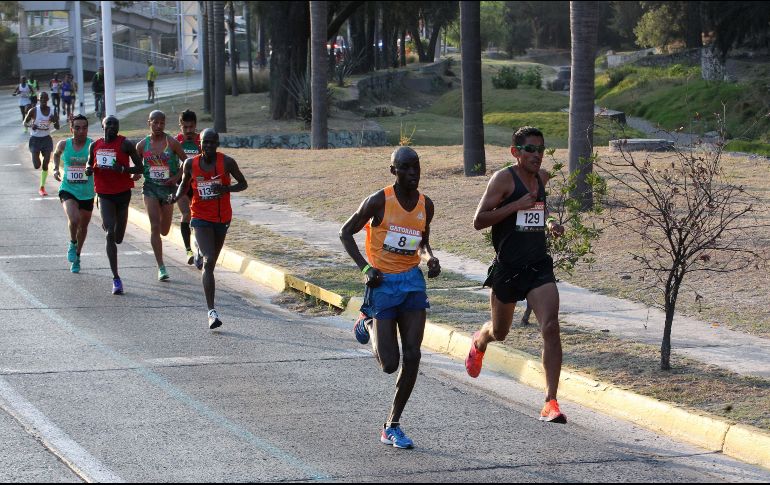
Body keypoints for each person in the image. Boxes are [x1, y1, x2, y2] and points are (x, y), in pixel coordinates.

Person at [339, 146, 441, 450]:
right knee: (389, 364)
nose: (413, 174)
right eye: (406, 168)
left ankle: (392, 425)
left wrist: (430, 258)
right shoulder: (378, 201)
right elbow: (345, 233)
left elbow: (422, 243)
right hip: (382, 283)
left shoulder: (426, 205)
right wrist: (366, 268)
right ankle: (367, 321)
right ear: (393, 171)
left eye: (417, 168)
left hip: (411, 281)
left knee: (413, 356)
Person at [464, 126, 567, 424]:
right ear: (515, 152)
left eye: (541, 149)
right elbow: (478, 220)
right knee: (501, 332)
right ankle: (481, 339)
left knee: (550, 326)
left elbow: (539, 212)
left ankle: (550, 402)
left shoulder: (543, 178)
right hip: (508, 268)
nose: (537, 155)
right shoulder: (503, 179)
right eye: (531, 149)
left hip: (538, 266)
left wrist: (550, 226)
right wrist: (513, 206)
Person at [169, 128, 247, 329]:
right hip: (200, 217)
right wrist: (176, 197)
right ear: (200, 143)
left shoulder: (227, 162)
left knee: (210, 260)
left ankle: (197, 249)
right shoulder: (190, 163)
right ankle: (212, 312)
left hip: (221, 219)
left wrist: (226, 189)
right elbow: (184, 185)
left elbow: (243, 184)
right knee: (209, 261)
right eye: (205, 142)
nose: (209, 146)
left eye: (213, 142)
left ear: (217, 143)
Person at [85, 116, 143, 295]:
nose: (111, 127)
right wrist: (88, 168)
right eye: (108, 124)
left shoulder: (125, 144)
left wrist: (124, 169)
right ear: (102, 126)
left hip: (123, 194)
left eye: (115, 125)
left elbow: (140, 168)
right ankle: (116, 278)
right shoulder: (95, 146)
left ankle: (110, 225)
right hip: (104, 194)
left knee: (118, 238)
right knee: (110, 234)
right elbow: (89, 162)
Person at [137, 110, 188, 281]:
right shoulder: (142, 145)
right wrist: (135, 174)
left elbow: (186, 162)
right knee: (154, 226)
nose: (158, 126)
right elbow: (136, 166)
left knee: (165, 230)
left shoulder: (171, 142)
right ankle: (161, 266)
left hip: (168, 190)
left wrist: (175, 177)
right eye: (155, 122)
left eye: (162, 123)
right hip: (150, 188)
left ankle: (161, 261)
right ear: (149, 122)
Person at [52, 114, 94, 273]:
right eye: (77, 127)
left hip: (87, 192)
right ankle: (72, 242)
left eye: (84, 128)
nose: (81, 131)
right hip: (68, 189)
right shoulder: (64, 144)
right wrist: (56, 169)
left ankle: (77, 255)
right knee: (74, 218)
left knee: (83, 226)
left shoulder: (93, 145)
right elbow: (56, 154)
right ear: (71, 129)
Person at [175, 109, 202, 266]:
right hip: (182, 185)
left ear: (195, 126)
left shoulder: (202, 141)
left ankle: (199, 249)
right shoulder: (175, 142)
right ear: (180, 126)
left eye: (191, 127)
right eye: (185, 127)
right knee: (186, 214)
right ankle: (188, 250)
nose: (189, 131)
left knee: (198, 217)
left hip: (199, 185)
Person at [23, 91, 59, 196]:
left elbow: (57, 127)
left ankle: (42, 187)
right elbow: (25, 122)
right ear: (39, 100)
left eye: (45, 98)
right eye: (41, 98)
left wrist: (54, 121)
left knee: (46, 163)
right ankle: (35, 154)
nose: (43, 100)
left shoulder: (52, 111)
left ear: (48, 100)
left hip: (46, 139)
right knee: (36, 165)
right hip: (35, 139)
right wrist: (31, 125)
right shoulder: (33, 110)